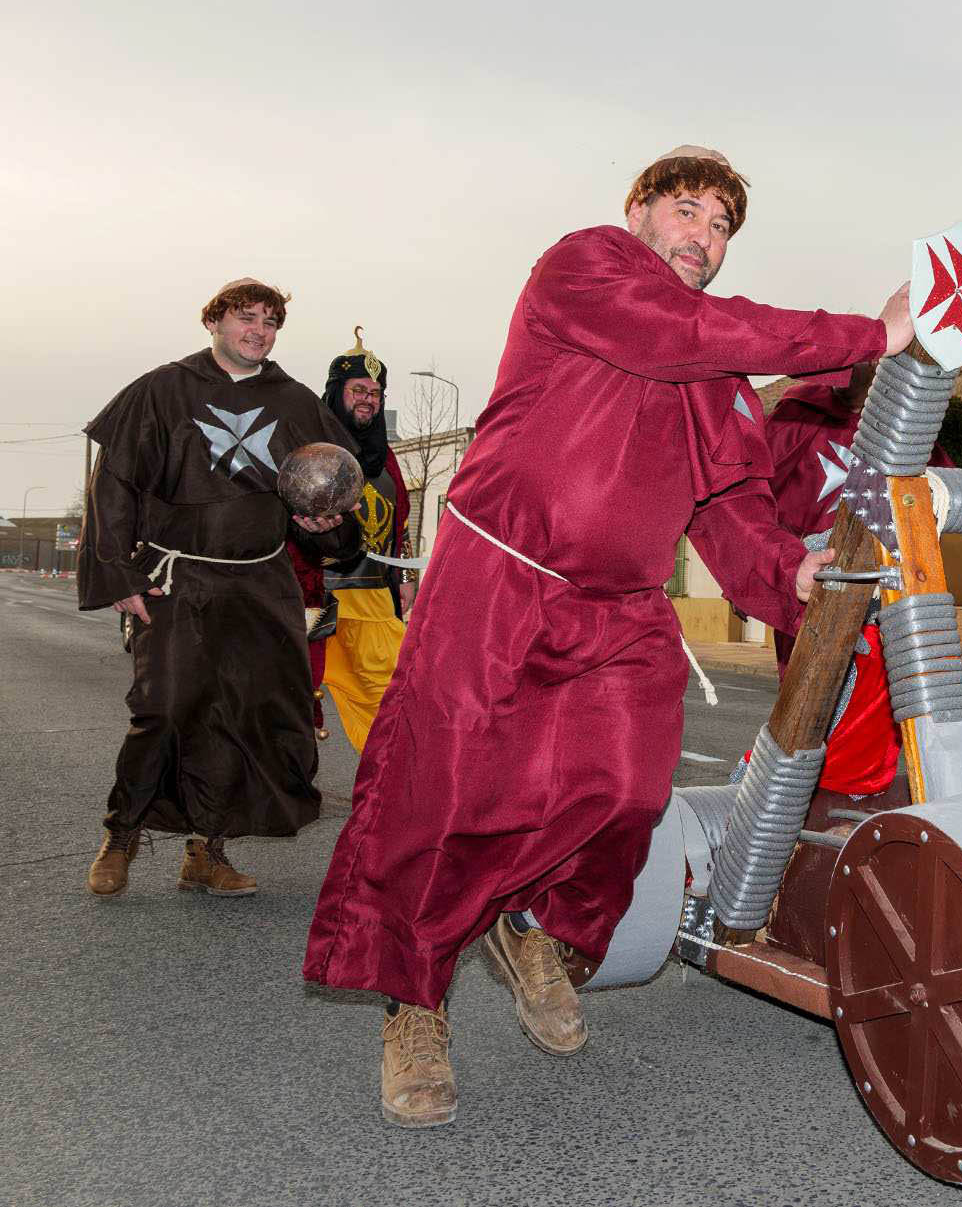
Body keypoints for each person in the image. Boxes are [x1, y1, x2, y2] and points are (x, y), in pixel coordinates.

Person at [304, 146, 914, 1130]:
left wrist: (788, 572)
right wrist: (869, 334)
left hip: (623, 610)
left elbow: (732, 512)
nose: (702, 238)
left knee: (625, 789)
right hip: (501, 578)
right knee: (448, 794)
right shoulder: (584, 271)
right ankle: (414, 1005)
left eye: (719, 227)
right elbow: (685, 331)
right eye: (685, 210)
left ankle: (541, 928)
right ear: (636, 210)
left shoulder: (715, 377)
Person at [79, 279, 360, 900]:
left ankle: (207, 851)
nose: (257, 331)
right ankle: (121, 834)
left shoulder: (294, 402)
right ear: (214, 322)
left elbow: (331, 495)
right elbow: (114, 487)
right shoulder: (162, 390)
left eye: (269, 322)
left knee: (247, 712)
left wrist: (326, 526)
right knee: (165, 706)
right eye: (245, 318)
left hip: (261, 579)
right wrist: (119, 575)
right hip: (176, 575)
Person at [761, 362, 947, 796]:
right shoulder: (797, 418)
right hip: (814, 580)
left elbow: (936, 493)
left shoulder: (905, 430)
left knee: (879, 702)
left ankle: (854, 796)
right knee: (808, 699)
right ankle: (796, 801)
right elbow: (755, 498)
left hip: (887, 588)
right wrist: (768, 570)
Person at [287, 330, 412, 753]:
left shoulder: (387, 458)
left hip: (375, 597)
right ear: (337, 391)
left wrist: (404, 573)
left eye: (376, 393)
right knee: (293, 699)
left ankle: (389, 791)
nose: (368, 400)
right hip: (315, 597)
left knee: (390, 697)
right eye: (359, 390)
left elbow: (400, 521)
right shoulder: (308, 449)